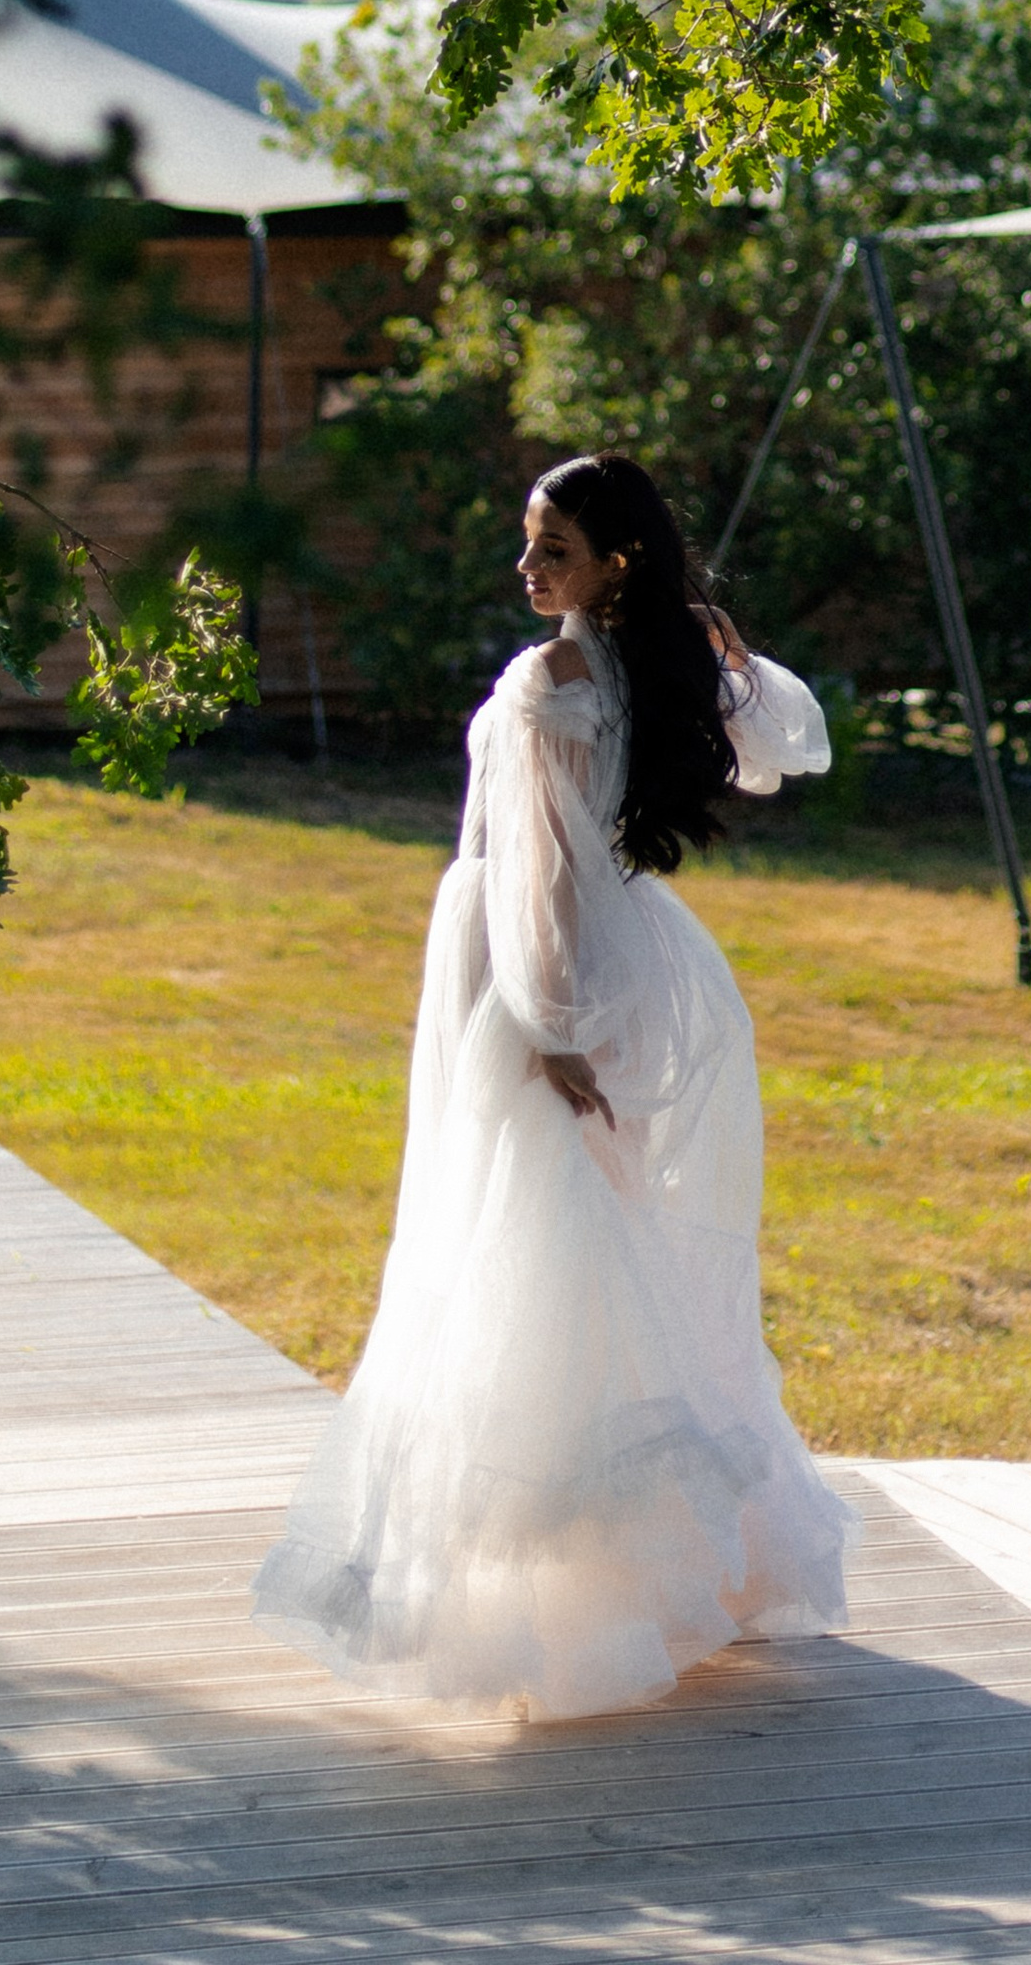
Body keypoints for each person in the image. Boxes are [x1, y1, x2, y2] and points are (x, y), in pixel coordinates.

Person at [252, 449, 852, 1721]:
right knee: (607, 1237)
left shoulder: (559, 678)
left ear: (614, 562)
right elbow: (773, 733)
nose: (526, 566)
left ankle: (560, 1589)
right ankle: (660, 1561)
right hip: (623, 954)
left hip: (551, 962)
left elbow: (542, 864)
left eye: (555, 549)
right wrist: (708, 637)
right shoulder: (641, 662)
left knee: (532, 1242)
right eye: (528, 541)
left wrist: (543, 1019)